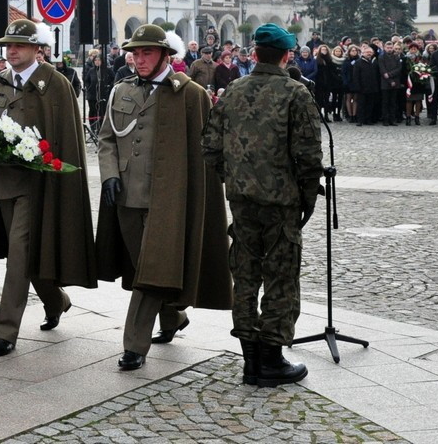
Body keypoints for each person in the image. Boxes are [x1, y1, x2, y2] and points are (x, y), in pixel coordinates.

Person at [96, 24, 230, 371]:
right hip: (127, 196)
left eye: (147, 53)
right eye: (135, 53)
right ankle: (172, 317)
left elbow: (203, 155)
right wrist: (110, 175)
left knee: (150, 271)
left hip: (168, 201)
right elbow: (107, 139)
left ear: (166, 55)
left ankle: (134, 345)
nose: (138, 60)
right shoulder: (121, 89)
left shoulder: (190, 94)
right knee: (146, 267)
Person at [202, 23, 322, 387]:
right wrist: (307, 199)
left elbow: (210, 146)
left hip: (242, 201)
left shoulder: (233, 90)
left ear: (253, 54)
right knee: (281, 277)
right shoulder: (295, 94)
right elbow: (309, 156)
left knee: (246, 275)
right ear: (287, 55)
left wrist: (235, 178)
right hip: (280, 201)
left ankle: (250, 361)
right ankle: (270, 358)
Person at [0, 19, 96, 357]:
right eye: (8, 45)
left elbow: (66, 137)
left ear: (38, 49)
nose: (12, 51)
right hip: (5, 180)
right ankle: (56, 300)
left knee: (19, 256)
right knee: (26, 256)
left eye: (19, 45)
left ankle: (6, 332)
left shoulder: (55, 83)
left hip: (39, 184)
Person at [84, 54, 114, 135]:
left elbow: (113, 79)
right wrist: (89, 87)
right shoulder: (91, 70)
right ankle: (93, 127)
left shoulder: (107, 70)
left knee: (102, 111)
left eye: (99, 60)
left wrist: (109, 86)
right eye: (95, 60)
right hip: (92, 94)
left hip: (103, 94)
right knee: (92, 110)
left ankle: (102, 126)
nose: (97, 62)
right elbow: (86, 80)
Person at [353, 46, 379, 126]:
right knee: (361, 105)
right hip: (362, 88)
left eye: (370, 52)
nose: (369, 54)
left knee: (370, 105)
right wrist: (357, 87)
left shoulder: (374, 62)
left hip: (372, 87)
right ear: (363, 53)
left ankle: (368, 120)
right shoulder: (358, 62)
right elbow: (355, 76)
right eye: (367, 52)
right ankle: (360, 120)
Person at [377, 41, 402, 126]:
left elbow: (399, 69)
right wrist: (390, 81)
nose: (389, 49)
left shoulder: (396, 57)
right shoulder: (381, 57)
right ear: (384, 48)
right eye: (388, 48)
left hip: (395, 82)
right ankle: (385, 120)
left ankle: (392, 119)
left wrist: (390, 75)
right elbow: (382, 70)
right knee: (385, 102)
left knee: (393, 102)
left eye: (391, 48)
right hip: (385, 83)